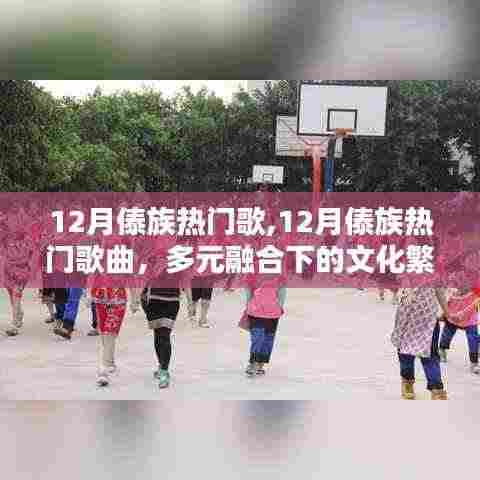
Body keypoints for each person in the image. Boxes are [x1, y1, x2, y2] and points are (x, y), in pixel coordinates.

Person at [391, 288, 449, 400]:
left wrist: (447, 312)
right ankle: (407, 381)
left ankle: (437, 389)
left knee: (430, 354)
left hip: (428, 319)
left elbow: (439, 291)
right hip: (406, 317)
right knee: (405, 353)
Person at [134, 266, 182, 389]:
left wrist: (190, 299)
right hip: (153, 300)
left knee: (164, 335)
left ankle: (164, 371)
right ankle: (162, 366)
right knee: (158, 334)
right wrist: (136, 298)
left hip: (172, 300)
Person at [240, 278, 287, 376]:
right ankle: (253, 362)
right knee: (258, 337)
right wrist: (249, 304)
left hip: (273, 312)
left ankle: (261, 364)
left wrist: (279, 306)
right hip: (256, 311)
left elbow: (282, 291)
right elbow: (248, 287)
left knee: (268, 339)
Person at [91, 287, 130, 387]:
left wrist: (136, 299)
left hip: (118, 298)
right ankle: (110, 361)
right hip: (100, 297)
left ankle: (103, 370)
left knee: (109, 332)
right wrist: (88, 293)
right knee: (104, 332)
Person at [439, 287, 480, 374]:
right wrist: (444, 313)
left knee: (473, 338)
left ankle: (474, 363)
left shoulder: (475, 286)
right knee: (447, 335)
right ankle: (442, 350)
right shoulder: (451, 287)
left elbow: (477, 300)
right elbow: (444, 300)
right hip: (453, 315)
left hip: (469, 317)